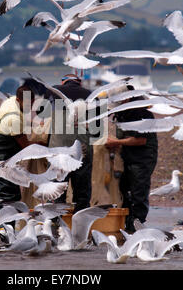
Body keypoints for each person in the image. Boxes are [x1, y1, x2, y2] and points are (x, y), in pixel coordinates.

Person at [105, 85, 158, 232]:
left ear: (126, 98)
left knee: (138, 195)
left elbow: (141, 140)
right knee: (124, 192)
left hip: (142, 159)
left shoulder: (142, 113)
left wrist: (116, 143)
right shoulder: (122, 113)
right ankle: (126, 227)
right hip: (126, 158)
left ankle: (138, 227)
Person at [0, 84, 37, 219]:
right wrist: (40, 146)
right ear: (18, 100)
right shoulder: (15, 118)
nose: (30, 107)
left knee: (6, 189)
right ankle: (4, 227)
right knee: (10, 191)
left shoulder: (10, 100)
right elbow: (26, 146)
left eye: (32, 104)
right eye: (28, 104)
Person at [44, 74, 97, 214]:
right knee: (82, 190)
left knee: (57, 187)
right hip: (83, 148)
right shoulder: (91, 94)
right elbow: (98, 127)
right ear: (79, 83)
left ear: (63, 82)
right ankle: (81, 220)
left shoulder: (54, 90)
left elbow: (41, 113)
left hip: (59, 148)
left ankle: (55, 222)